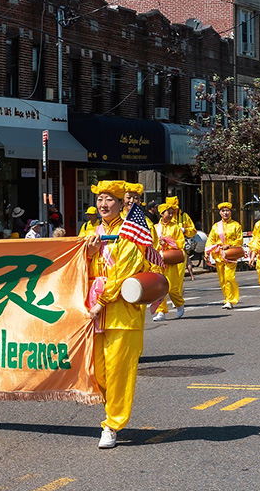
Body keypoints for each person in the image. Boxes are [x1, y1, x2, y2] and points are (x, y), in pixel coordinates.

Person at [84, 180, 148, 449]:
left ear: (122, 203)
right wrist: (88, 254)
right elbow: (80, 267)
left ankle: (112, 424)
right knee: (98, 372)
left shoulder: (131, 231)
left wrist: (103, 301)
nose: (103, 204)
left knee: (118, 371)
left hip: (121, 310)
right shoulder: (92, 231)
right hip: (95, 310)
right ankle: (112, 412)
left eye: (110, 199)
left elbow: (125, 269)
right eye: (100, 199)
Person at [204, 202, 243, 310]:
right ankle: (227, 298)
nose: (225, 213)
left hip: (231, 255)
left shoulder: (236, 225)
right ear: (220, 213)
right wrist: (207, 252)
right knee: (222, 279)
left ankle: (230, 300)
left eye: (227, 210)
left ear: (231, 212)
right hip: (219, 255)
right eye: (223, 211)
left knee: (229, 277)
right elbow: (211, 240)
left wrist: (229, 245)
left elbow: (239, 240)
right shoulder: (216, 226)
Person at [152, 201, 186, 321]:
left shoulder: (175, 227)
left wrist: (169, 242)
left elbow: (181, 243)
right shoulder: (155, 228)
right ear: (162, 213)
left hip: (170, 261)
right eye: (168, 212)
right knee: (159, 288)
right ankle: (161, 311)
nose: (171, 215)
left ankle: (179, 303)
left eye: (172, 213)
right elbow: (151, 243)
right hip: (158, 262)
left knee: (172, 288)